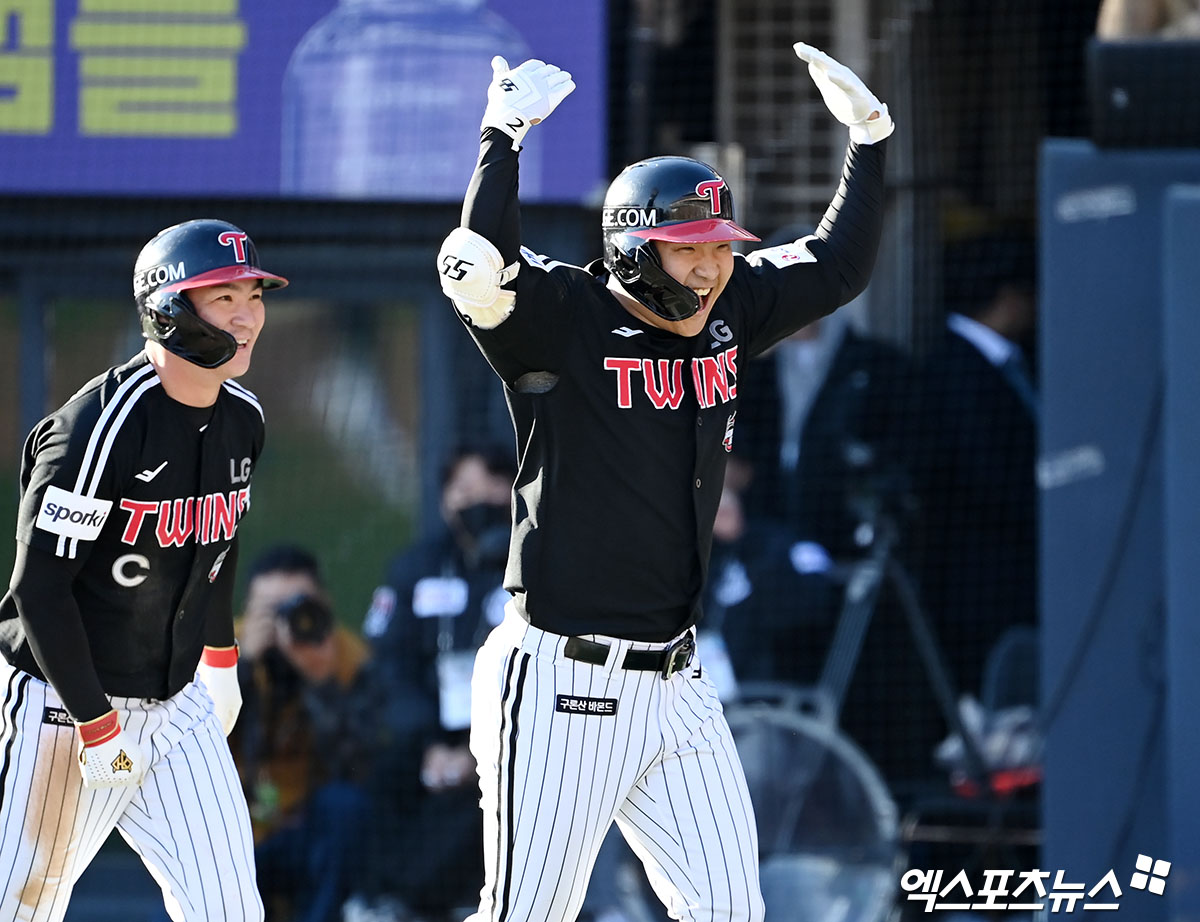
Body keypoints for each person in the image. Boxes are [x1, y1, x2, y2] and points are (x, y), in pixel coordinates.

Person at [434, 42, 893, 922]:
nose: (713, 266)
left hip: (677, 683)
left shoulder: (730, 312)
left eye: (721, 247)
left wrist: (870, 141)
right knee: (527, 914)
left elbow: (836, 266)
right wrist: (503, 137)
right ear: (635, 249)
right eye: (691, 250)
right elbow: (480, 271)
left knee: (731, 912)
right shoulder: (565, 316)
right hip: (562, 673)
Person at [0, 219, 287, 921]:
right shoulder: (95, 428)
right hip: (65, 703)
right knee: (22, 906)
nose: (247, 314)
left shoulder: (242, 417)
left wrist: (220, 661)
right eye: (222, 297)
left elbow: (217, 543)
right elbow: (38, 592)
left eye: (254, 293)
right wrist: (96, 724)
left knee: (231, 912)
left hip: (177, 706)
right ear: (168, 310)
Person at [353, 445, 514, 921]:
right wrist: (429, 743)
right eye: (464, 490)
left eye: (491, 490)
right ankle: (381, 899)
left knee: (488, 788)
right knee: (386, 779)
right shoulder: (415, 567)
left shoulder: (540, 568)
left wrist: (472, 750)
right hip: (426, 730)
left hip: (508, 736)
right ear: (444, 497)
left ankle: (412, 900)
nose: (476, 502)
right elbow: (390, 662)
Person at [908, 230, 1039, 703]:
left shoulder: (1009, 363)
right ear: (1009, 296)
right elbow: (984, 475)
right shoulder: (957, 372)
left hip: (1006, 571)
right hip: (980, 575)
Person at [229, 546, 376, 922]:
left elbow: (363, 767)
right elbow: (198, 747)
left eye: (296, 607)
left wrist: (322, 682)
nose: (285, 624)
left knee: (345, 806)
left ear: (323, 604)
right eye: (270, 612)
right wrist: (241, 671)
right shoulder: (222, 652)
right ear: (248, 612)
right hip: (233, 837)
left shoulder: (347, 656)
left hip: (309, 837)